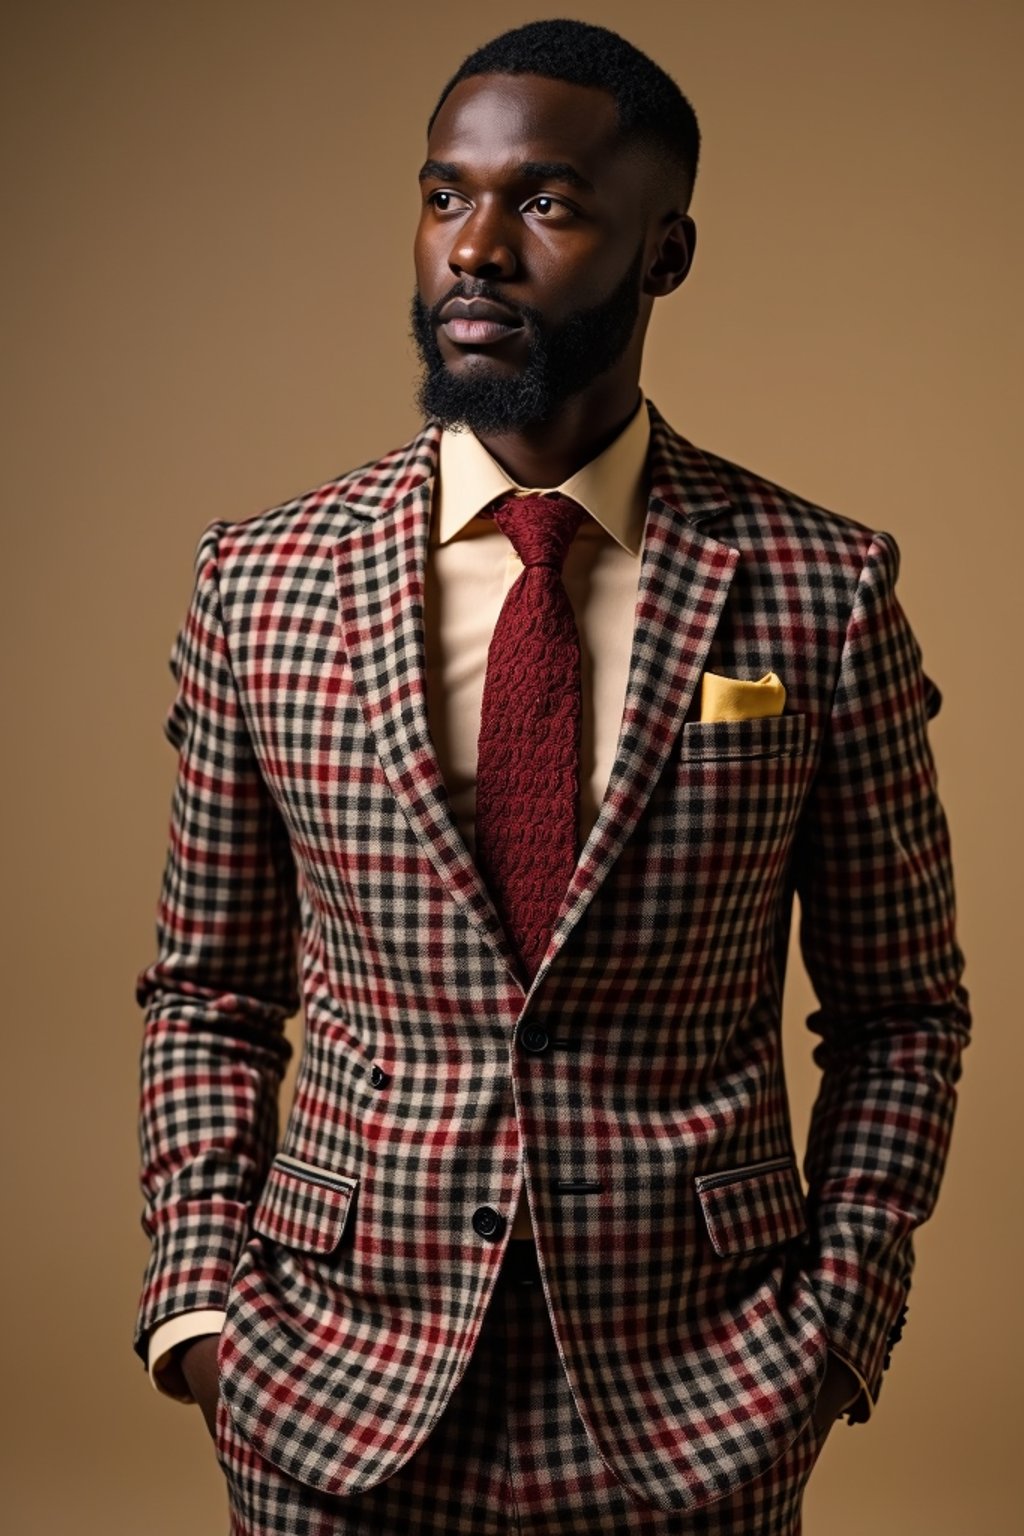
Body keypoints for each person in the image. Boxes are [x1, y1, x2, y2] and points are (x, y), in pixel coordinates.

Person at [133, 19, 970, 1535]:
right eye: (446, 195)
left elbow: (903, 1012)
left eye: (546, 204)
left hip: (698, 1397)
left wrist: (834, 1328)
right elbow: (207, 992)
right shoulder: (258, 582)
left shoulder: (819, 587)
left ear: (667, 253)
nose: (477, 252)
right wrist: (205, 1318)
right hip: (328, 1383)